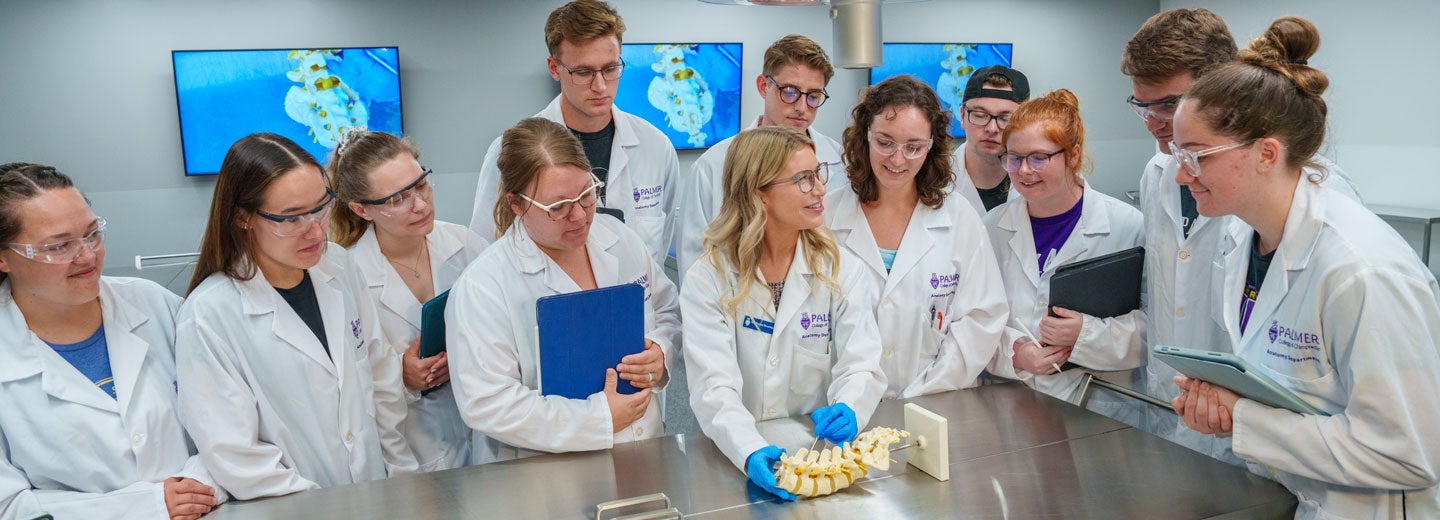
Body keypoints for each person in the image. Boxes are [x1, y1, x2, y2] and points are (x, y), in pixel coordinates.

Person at [1169, 17, 1439, 518]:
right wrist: (1229, 403)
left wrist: (1244, 419)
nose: (1182, 174)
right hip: (1289, 497)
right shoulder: (1243, 237)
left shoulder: (1361, 271)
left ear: (1267, 154)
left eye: (1196, 155)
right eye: (1177, 153)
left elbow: (1409, 454)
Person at [1120, 8, 1361, 462]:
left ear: (1222, 90)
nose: (1153, 121)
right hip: (1171, 413)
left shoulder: (1305, 194)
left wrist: (1247, 418)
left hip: (1265, 439)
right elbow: (1161, 294)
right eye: (1141, 105)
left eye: (1168, 105)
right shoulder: (1159, 174)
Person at [176, 133, 417, 499]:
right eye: (291, 218)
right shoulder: (210, 314)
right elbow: (237, 457)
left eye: (322, 207)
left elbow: (380, 380)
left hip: (375, 496)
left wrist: (403, 481)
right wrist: (323, 507)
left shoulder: (339, 265)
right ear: (242, 218)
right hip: (294, 508)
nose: (315, 229)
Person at [447, 117, 678, 463]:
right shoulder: (484, 286)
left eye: (587, 194)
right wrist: (598, 418)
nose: (580, 216)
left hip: (642, 445)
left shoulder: (618, 237)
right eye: (557, 207)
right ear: (516, 204)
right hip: (545, 467)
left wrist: (661, 353)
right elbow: (487, 402)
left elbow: (666, 310)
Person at [0, 164, 222, 519]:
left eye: (92, 234)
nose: (87, 256)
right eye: (59, 246)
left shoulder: (155, 305)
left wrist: (193, 483)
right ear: (3, 258)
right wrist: (147, 506)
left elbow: (230, 421)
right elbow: (10, 506)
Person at [682, 126, 886, 501]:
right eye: (804, 180)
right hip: (735, 457)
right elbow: (714, 386)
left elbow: (861, 360)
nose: (821, 189)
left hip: (819, 454)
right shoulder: (709, 278)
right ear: (759, 193)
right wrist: (747, 449)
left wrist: (851, 405)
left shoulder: (838, 267)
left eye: (818, 174)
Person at [825, 75, 1008, 399]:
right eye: (885, 142)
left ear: (932, 147)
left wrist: (924, 393)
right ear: (864, 136)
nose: (897, 159)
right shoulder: (826, 217)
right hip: (840, 407)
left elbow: (980, 320)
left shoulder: (958, 218)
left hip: (934, 402)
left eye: (913, 147)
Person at [468, 0, 678, 268]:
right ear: (554, 68)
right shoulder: (510, 151)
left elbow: (660, 247)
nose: (600, 85)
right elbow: (485, 249)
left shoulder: (656, 147)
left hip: (633, 303)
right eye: (583, 72)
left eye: (610, 68)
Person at [328, 129, 491, 471]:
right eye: (397, 198)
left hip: (485, 436)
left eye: (421, 185)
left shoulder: (465, 246)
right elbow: (348, 391)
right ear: (361, 209)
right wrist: (401, 375)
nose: (420, 204)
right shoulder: (348, 275)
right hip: (412, 451)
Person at [983, 90, 1146, 408]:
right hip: (1010, 401)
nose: (1024, 171)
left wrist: (1085, 334)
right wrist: (1016, 352)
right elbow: (972, 318)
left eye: (1039, 157)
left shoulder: (1127, 226)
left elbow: (1156, 328)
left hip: (1100, 407)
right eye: (1014, 158)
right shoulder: (992, 227)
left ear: (1073, 155)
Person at [675, 34, 846, 277]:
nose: (801, 107)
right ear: (764, 86)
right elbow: (693, 261)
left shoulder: (838, 162)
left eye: (813, 96)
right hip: (733, 305)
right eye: (789, 92)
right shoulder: (714, 165)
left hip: (819, 305)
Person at [952, 65, 1027, 216]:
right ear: (962, 116)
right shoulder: (932, 182)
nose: (992, 128)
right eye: (980, 115)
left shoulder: (1039, 180)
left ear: (1024, 123)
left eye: (1005, 119)